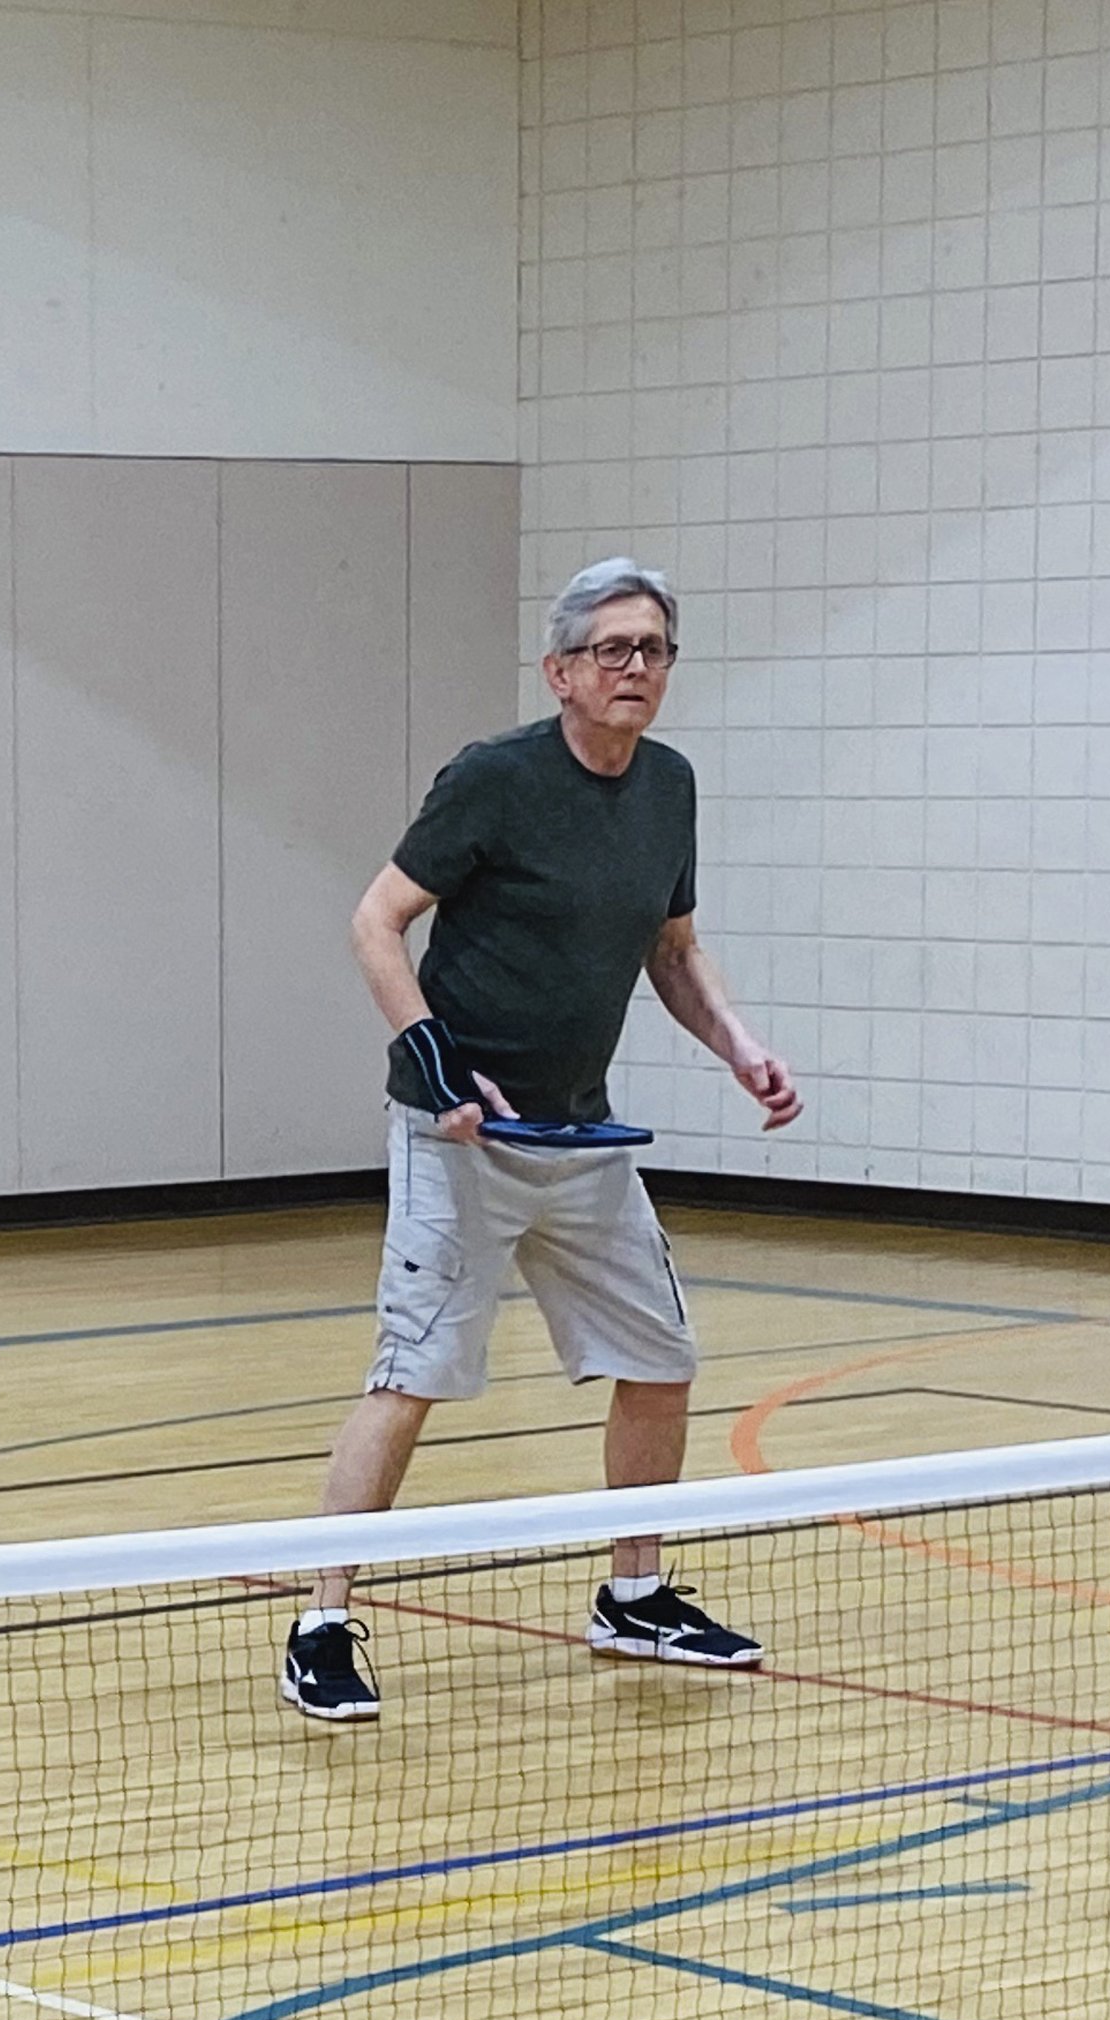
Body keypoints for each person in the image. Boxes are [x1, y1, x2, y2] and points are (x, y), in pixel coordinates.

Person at [281, 558, 802, 1724]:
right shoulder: (494, 782)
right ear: (561, 671)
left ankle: (634, 1594)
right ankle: (320, 1619)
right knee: (411, 1376)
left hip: (584, 1132)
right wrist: (422, 1050)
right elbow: (376, 920)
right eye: (612, 650)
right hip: (462, 1138)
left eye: (654, 649)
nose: (635, 669)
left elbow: (672, 946)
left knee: (660, 1361)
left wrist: (739, 1045)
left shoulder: (669, 787)